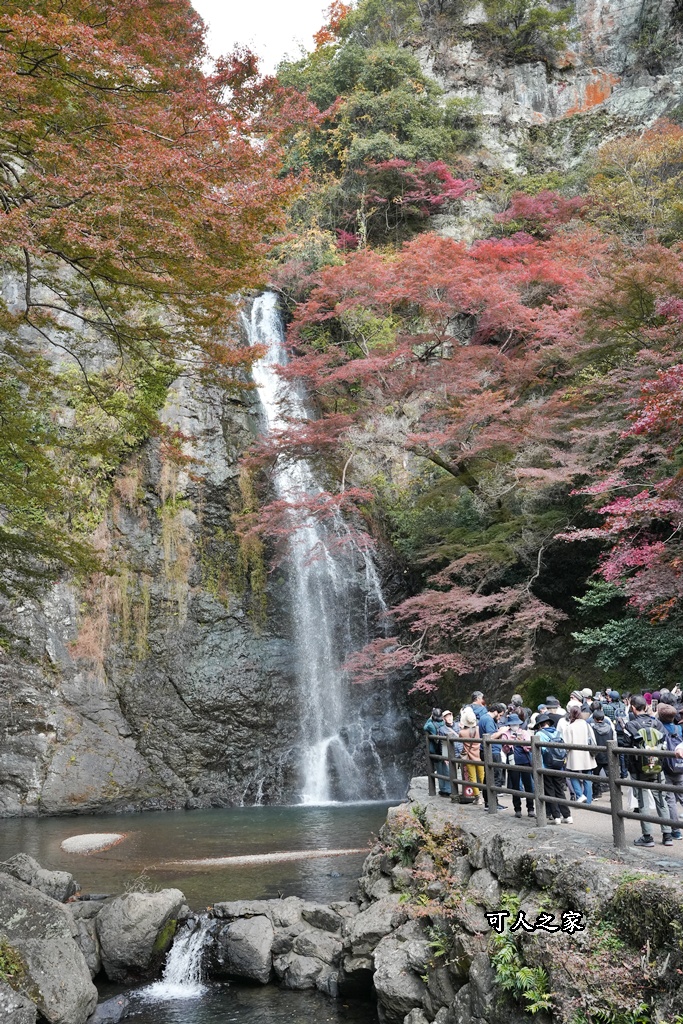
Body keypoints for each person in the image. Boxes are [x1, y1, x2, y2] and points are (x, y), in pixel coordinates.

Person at [622, 695, 673, 848]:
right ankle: (667, 835)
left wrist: (626, 770)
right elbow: (665, 744)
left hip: (639, 770)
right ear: (646, 706)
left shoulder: (630, 726)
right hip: (657, 768)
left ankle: (647, 837)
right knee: (661, 800)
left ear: (632, 708)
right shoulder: (657, 723)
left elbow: (625, 749)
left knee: (643, 801)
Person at [534, 712, 572, 824]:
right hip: (559, 765)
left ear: (540, 725)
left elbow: (540, 752)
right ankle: (567, 815)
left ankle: (556, 817)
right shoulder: (557, 733)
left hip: (546, 766)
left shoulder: (540, 735)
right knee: (560, 790)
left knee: (550, 791)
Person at [500, 713, 535, 818]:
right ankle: (517, 809)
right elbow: (504, 749)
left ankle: (530, 808)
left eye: (516, 724)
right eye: (512, 724)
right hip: (512, 761)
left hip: (525, 761)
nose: (514, 726)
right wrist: (509, 742)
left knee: (528, 785)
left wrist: (521, 742)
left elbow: (529, 747)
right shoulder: (505, 734)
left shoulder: (524, 733)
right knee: (515, 786)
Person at [657, 703, 683, 841]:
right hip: (680, 766)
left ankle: (676, 830)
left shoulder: (659, 729)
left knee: (670, 800)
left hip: (666, 768)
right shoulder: (679, 728)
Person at [564, 706, 597, 804]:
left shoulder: (570, 727)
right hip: (587, 754)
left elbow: (567, 744)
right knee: (588, 776)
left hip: (574, 755)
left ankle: (579, 794)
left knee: (572, 774)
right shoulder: (587, 725)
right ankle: (588, 800)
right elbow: (593, 739)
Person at [460, 707, 484, 804]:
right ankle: (485, 793)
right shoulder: (478, 730)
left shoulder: (462, 733)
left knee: (472, 778)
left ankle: (478, 797)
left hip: (469, 757)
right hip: (479, 756)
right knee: (482, 776)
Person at [589, 708, 615, 798]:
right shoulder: (610, 728)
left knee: (595, 776)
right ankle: (614, 796)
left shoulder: (592, 729)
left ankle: (596, 793)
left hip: (597, 755)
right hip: (608, 754)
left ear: (594, 719)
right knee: (611, 777)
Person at [424, 708, 450, 796]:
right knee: (446, 769)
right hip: (444, 749)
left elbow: (425, 727)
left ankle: (443, 789)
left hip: (435, 750)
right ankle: (449, 788)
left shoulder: (431, 725)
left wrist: (430, 718)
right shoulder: (443, 723)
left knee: (439, 770)